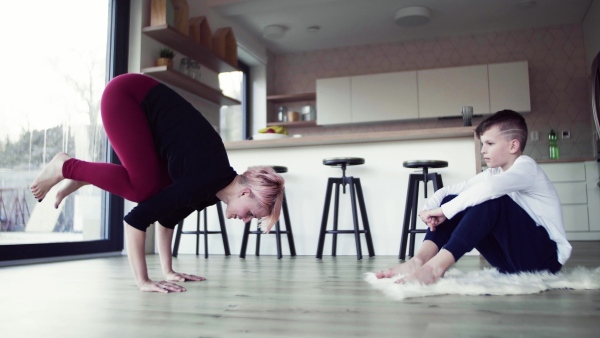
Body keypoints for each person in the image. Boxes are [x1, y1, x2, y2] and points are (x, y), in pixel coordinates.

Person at [30, 73, 285, 293]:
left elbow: (167, 219)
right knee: (142, 190)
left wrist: (169, 271)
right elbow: (135, 221)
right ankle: (65, 166)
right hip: (126, 95)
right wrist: (143, 281)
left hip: (142, 108)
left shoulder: (211, 189)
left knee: (154, 189)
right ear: (245, 192)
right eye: (251, 213)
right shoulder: (204, 179)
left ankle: (84, 175)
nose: (246, 219)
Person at [376, 109, 571, 285]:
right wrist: (430, 210)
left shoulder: (527, 167)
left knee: (492, 200)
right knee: (455, 198)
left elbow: (489, 189)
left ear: (513, 146)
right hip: (509, 263)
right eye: (482, 144)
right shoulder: (493, 173)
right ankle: (418, 261)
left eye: (490, 143)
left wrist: (444, 211)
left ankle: (435, 268)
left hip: (545, 259)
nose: (483, 150)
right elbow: (448, 192)